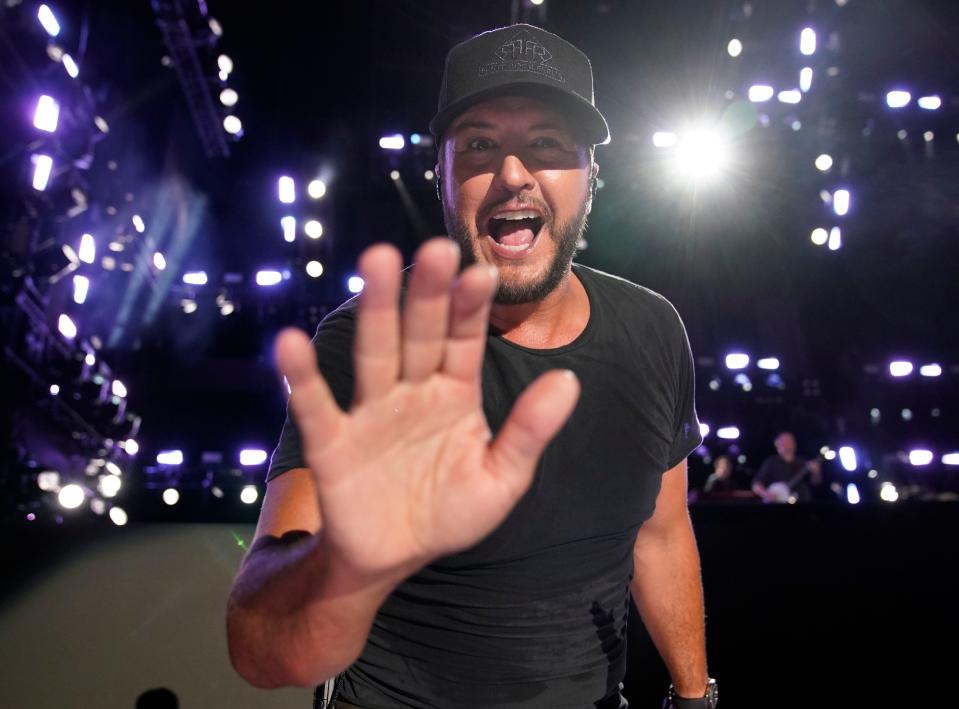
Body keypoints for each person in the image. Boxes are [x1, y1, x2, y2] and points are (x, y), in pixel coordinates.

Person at [226, 24, 717, 709]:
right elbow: (258, 646)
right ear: (442, 176)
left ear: (592, 176)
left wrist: (694, 696)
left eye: (546, 143)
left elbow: (660, 533)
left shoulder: (652, 329)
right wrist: (353, 553)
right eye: (481, 145)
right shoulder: (370, 339)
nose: (513, 173)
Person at [751, 431, 823, 503]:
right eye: (783, 444)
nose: (786, 446)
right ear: (777, 445)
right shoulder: (771, 462)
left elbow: (816, 482)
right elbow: (756, 484)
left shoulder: (803, 462)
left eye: (789, 443)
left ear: (794, 444)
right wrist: (766, 494)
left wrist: (816, 472)